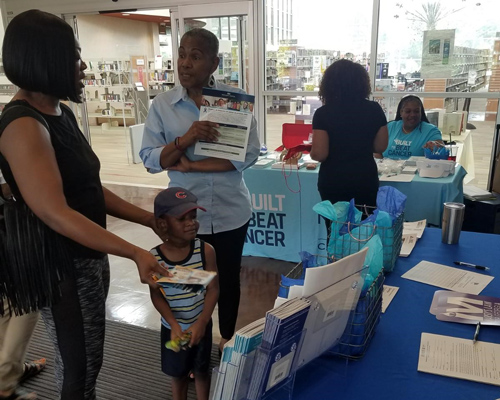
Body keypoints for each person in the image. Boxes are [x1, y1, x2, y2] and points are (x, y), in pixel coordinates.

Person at [0, 10, 165, 400]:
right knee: (79, 370)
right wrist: (134, 251)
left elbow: (89, 188)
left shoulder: (61, 112)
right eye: (74, 56)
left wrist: (148, 219)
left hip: (87, 259)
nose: (83, 65)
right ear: (48, 60)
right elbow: (54, 211)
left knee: (88, 361)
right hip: (64, 267)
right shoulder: (23, 125)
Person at [140, 28, 260, 353]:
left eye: (195, 56)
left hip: (230, 211)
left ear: (214, 63)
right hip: (183, 216)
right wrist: (186, 140)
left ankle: (229, 342)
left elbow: (246, 154)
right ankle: (194, 348)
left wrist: (193, 166)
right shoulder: (163, 105)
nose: (185, 63)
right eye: (181, 54)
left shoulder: (233, 103)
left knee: (228, 282)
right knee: (190, 283)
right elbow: (151, 159)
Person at [149, 187, 218, 400]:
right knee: (177, 375)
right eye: (182, 219)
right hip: (174, 329)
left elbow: (213, 289)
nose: (191, 223)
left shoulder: (205, 251)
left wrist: (202, 323)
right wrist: (174, 324)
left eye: (194, 217)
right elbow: (156, 295)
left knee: (201, 371)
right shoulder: (154, 258)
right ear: (163, 224)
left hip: (201, 327)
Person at [310, 59, 388, 208]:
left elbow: (320, 154)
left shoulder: (323, 113)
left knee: (335, 228)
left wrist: (311, 151)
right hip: (365, 178)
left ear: (329, 85)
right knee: (365, 228)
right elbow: (380, 147)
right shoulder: (374, 109)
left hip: (334, 180)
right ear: (362, 84)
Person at [0, 170, 46, 400]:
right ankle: (5, 381)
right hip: (10, 226)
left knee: (7, 300)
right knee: (28, 299)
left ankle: (10, 370)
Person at [378, 95, 443, 159]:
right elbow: (377, 151)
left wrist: (435, 146)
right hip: (387, 168)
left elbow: (441, 150)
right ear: (401, 112)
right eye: (408, 111)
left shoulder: (431, 130)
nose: (412, 115)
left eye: (416, 111)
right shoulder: (390, 127)